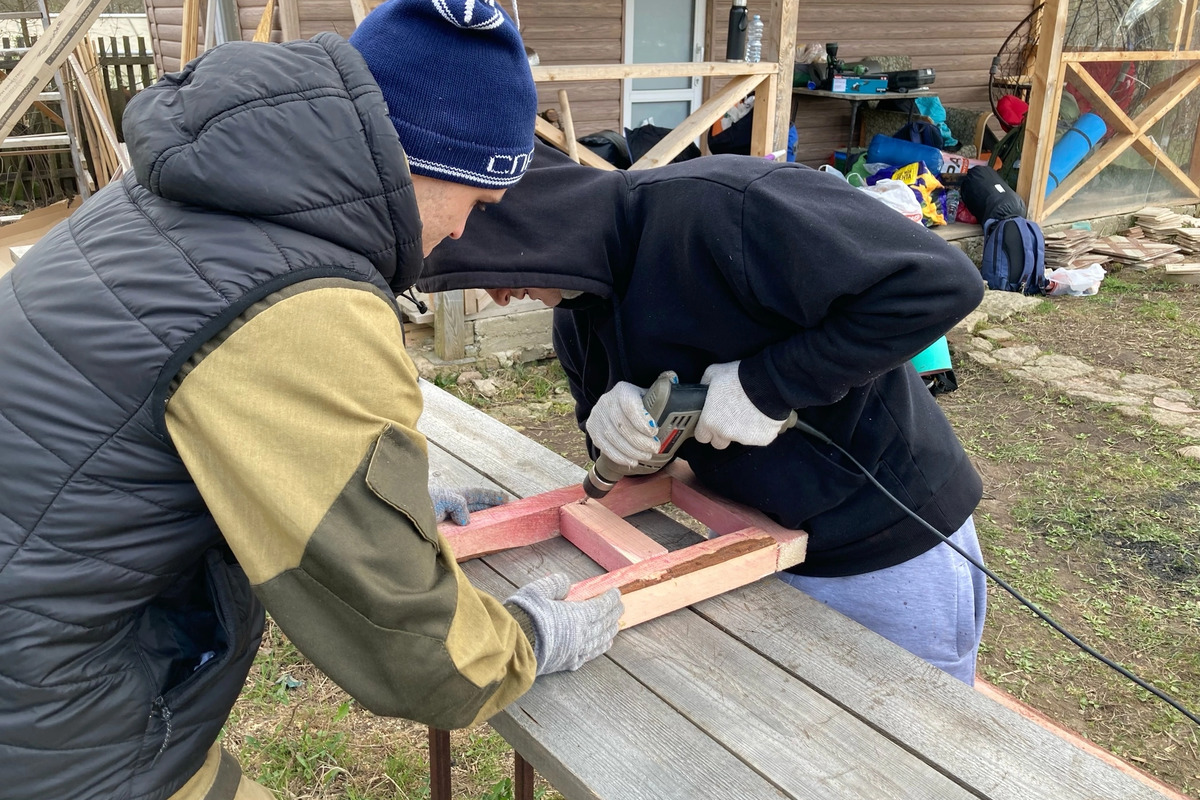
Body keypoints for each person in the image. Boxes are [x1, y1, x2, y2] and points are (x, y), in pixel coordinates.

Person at [0, 5, 622, 799]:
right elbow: (419, 652)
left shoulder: (183, 200)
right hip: (51, 736)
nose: (462, 238)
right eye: (476, 205)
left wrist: (385, 505)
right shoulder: (302, 300)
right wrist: (528, 638)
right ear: (430, 165)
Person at [420, 140, 988, 686]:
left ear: (531, 221)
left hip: (885, 543)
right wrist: (620, 447)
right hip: (765, 547)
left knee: (905, 750)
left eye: (487, 268)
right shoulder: (575, 322)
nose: (495, 296)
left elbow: (939, 282)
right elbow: (637, 472)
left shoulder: (722, 206)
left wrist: (768, 386)